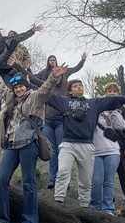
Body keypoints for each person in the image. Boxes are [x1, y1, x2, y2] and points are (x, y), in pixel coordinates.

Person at [0, 61, 66, 223]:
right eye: (16, 87)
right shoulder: (9, 97)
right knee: (1, 180)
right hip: (10, 144)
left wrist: (54, 76)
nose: (19, 89)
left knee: (28, 183)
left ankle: (30, 222)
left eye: (21, 86)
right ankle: (2, 217)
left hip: (29, 143)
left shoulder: (35, 97)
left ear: (26, 86)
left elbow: (45, 89)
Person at [48, 71, 125, 207]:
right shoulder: (64, 102)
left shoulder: (94, 103)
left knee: (86, 179)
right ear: (70, 90)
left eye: (80, 86)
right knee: (63, 171)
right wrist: (42, 79)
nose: (79, 88)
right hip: (68, 143)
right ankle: (58, 200)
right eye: (75, 86)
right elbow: (45, 94)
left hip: (87, 145)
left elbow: (112, 100)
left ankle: (84, 205)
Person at [29, 53, 87, 189]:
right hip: (48, 122)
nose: (58, 76)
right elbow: (31, 79)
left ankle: (63, 180)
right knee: (52, 152)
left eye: (60, 75)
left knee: (63, 151)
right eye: (50, 60)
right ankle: (52, 178)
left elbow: (75, 69)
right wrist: (19, 67)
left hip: (61, 122)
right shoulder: (47, 85)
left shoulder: (66, 88)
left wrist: (82, 60)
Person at [91, 82, 125, 215]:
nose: (112, 92)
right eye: (109, 90)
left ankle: (108, 208)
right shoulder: (96, 107)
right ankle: (95, 206)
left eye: (114, 91)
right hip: (95, 150)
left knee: (109, 181)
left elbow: (121, 126)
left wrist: (114, 111)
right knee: (96, 180)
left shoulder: (119, 110)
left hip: (112, 150)